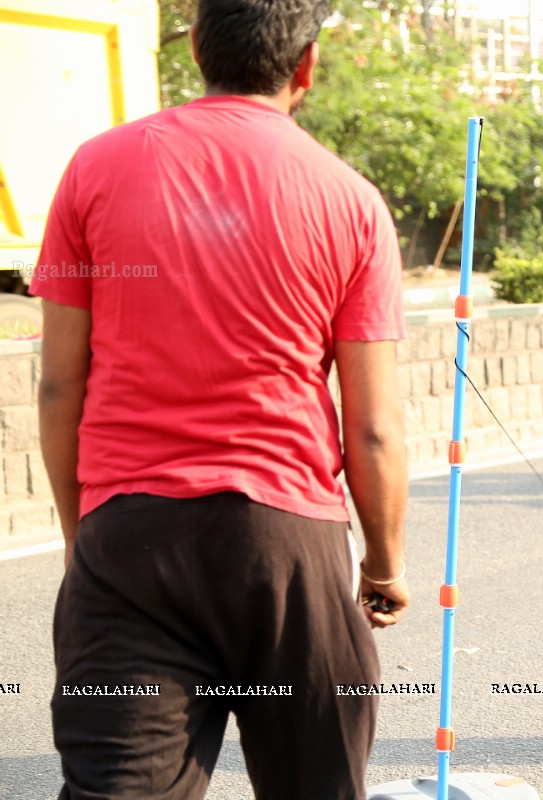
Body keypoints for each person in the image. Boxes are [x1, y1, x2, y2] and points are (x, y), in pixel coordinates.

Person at [33, 2, 409, 797]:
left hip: (128, 543)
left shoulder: (95, 168)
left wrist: (85, 540)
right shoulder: (351, 200)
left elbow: (60, 384)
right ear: (306, 66)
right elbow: (371, 430)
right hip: (287, 549)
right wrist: (383, 563)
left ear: (197, 47)